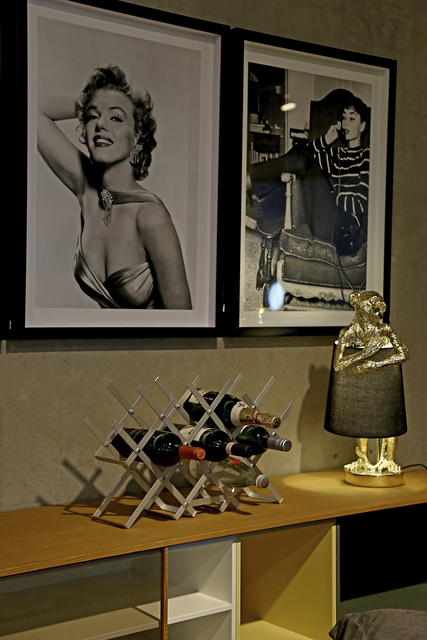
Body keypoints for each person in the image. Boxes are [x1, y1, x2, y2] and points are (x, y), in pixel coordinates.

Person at [37, 64, 192, 309]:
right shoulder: (87, 190)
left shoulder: (151, 216)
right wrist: (87, 102)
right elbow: (31, 109)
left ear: (137, 136)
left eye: (116, 118)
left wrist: (95, 106)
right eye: (93, 116)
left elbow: (184, 323)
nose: (101, 124)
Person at [248, 96, 370, 256]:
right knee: (300, 153)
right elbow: (303, 159)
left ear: (362, 126)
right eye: (344, 118)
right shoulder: (337, 154)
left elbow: (361, 204)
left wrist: (334, 197)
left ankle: (250, 184)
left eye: (352, 119)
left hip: (344, 227)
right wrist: (326, 140)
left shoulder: (367, 156)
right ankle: (256, 195)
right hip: (322, 220)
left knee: (302, 156)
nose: (345, 123)